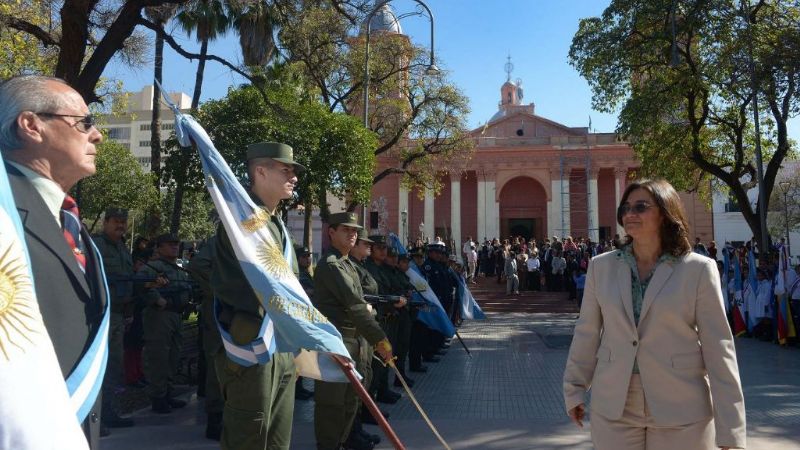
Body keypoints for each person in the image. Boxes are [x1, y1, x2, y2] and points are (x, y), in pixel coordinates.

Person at [563, 179, 746, 450]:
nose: (630, 214)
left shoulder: (698, 269)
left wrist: (731, 428)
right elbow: (587, 332)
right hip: (615, 405)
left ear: (664, 212)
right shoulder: (601, 267)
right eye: (626, 207)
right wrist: (575, 388)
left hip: (681, 405)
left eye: (641, 206)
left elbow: (719, 347)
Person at [1, 75, 107, 446]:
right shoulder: (4, 219)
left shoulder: (70, 222)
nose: (97, 135)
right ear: (31, 125)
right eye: (84, 122)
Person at [210, 141, 304, 450]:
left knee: (277, 439)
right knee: (248, 437)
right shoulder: (244, 220)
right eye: (285, 170)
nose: (294, 177)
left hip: (281, 344)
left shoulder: (275, 223)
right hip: (254, 339)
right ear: (260, 171)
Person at [312, 212, 394, 450]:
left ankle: (341, 442)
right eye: (346, 230)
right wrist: (380, 339)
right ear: (331, 232)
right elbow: (357, 305)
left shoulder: (347, 264)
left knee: (349, 402)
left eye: (355, 231)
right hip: (336, 342)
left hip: (352, 340)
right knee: (332, 405)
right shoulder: (331, 266)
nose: (352, 234)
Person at [92, 207, 136, 431]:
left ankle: (107, 412)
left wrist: (128, 312)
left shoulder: (122, 248)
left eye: (123, 222)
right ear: (106, 221)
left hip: (118, 315)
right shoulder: (95, 244)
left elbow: (127, 281)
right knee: (98, 366)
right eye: (116, 221)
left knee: (113, 366)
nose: (120, 225)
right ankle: (93, 419)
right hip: (100, 315)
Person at [140, 233, 192, 413]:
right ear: (159, 247)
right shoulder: (153, 267)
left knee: (173, 356)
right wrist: (156, 299)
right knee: (159, 357)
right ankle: (158, 397)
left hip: (176, 315)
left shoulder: (178, 269)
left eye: (176, 244)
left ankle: (168, 393)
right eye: (170, 245)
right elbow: (141, 285)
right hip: (160, 316)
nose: (174, 247)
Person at [185, 237, 224, 440]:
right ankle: (215, 418)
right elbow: (197, 265)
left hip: (239, 310)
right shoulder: (220, 240)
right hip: (219, 309)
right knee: (217, 361)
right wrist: (221, 288)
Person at [294, 246, 315, 401]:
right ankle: (296, 388)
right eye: (304, 256)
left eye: (309, 256)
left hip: (306, 317)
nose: (307, 259)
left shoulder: (307, 273)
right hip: (299, 318)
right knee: (297, 355)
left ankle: (299, 387)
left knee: (301, 355)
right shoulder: (297, 274)